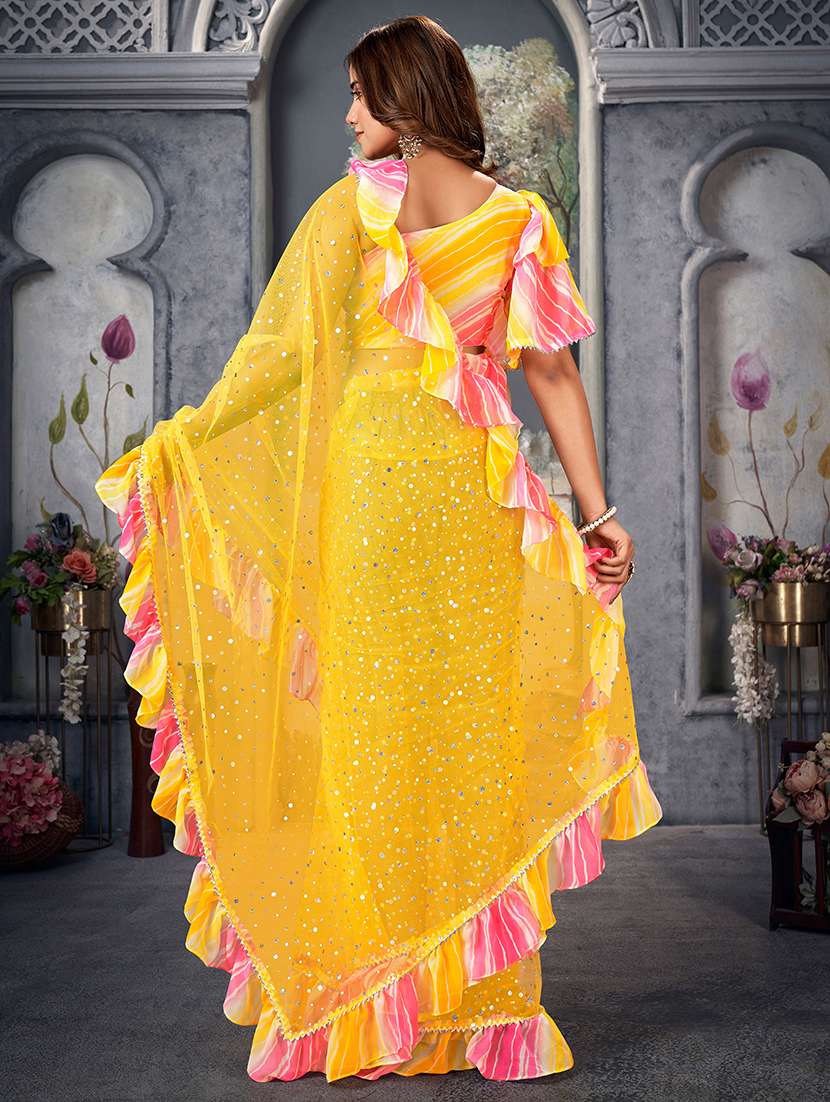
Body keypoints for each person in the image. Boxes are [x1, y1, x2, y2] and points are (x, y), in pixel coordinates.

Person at [95, 13, 662, 1085]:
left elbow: (273, 370)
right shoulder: (520, 220)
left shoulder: (347, 214)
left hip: (374, 513)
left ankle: (372, 1005)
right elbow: (550, 374)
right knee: (472, 744)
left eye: (362, 95)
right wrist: (595, 515)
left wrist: (179, 448)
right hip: (475, 507)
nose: (348, 114)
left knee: (373, 747)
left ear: (404, 99)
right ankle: (482, 1014)